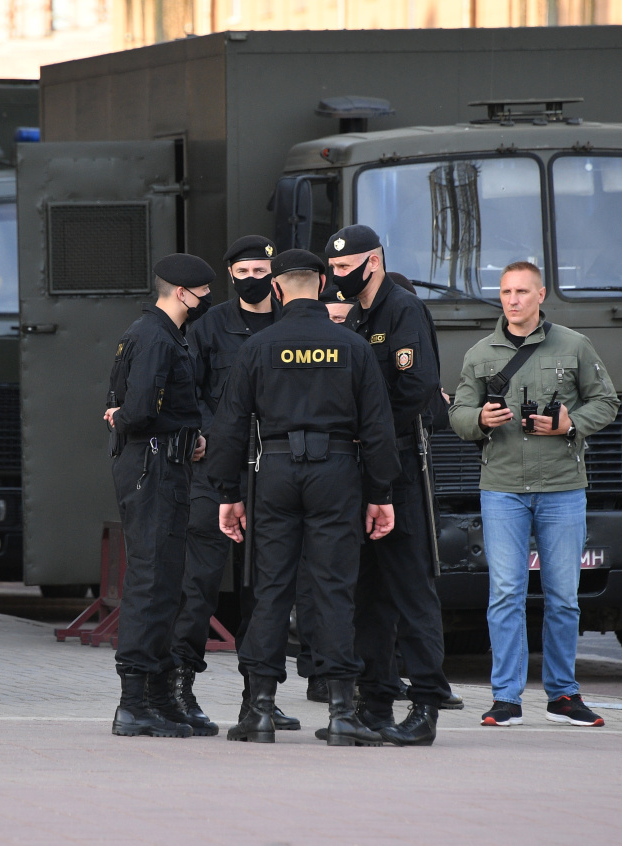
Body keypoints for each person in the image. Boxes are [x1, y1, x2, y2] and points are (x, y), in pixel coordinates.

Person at [207, 248, 400, 746]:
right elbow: (377, 426)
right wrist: (380, 491)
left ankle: (259, 710)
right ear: (321, 284)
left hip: (274, 471)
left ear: (276, 288)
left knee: (271, 586)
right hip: (337, 471)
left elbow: (229, 425)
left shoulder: (259, 346)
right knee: (334, 585)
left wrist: (228, 492)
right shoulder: (352, 345)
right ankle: (341, 712)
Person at [449, 261, 619, 727]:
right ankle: (506, 698)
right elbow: (458, 414)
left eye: (522, 291)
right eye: (506, 292)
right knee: (506, 593)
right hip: (502, 489)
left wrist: (570, 424)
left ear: (541, 295)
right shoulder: (480, 353)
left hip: (562, 488)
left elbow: (607, 401)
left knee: (563, 596)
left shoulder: (574, 345)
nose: (513, 300)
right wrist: (479, 419)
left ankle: (563, 695)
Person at [166, 235, 301, 736]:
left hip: (273, 470)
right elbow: (189, 389)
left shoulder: (292, 324)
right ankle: (180, 689)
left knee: (265, 589)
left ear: (274, 274)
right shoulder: (209, 325)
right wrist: (207, 435)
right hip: (216, 471)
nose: (251, 280)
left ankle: (258, 696)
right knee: (198, 584)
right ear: (229, 275)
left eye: (259, 272)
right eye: (241, 273)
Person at [327, 224, 452, 746]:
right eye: (333, 268)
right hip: (363, 468)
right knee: (369, 593)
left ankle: (425, 705)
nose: (337, 277)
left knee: (410, 587)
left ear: (373, 260)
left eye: (344, 267)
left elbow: (417, 387)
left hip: (398, 464)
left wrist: (372, 434)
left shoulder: (402, 310)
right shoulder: (358, 315)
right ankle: (375, 702)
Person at [103, 253, 212, 739]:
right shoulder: (156, 337)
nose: (208, 299)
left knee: (166, 581)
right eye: (203, 292)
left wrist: (192, 436)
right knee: (151, 581)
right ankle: (133, 702)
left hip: (163, 462)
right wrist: (123, 419)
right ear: (182, 293)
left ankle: (159, 696)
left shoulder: (158, 334)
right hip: (154, 466)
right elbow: (140, 408)